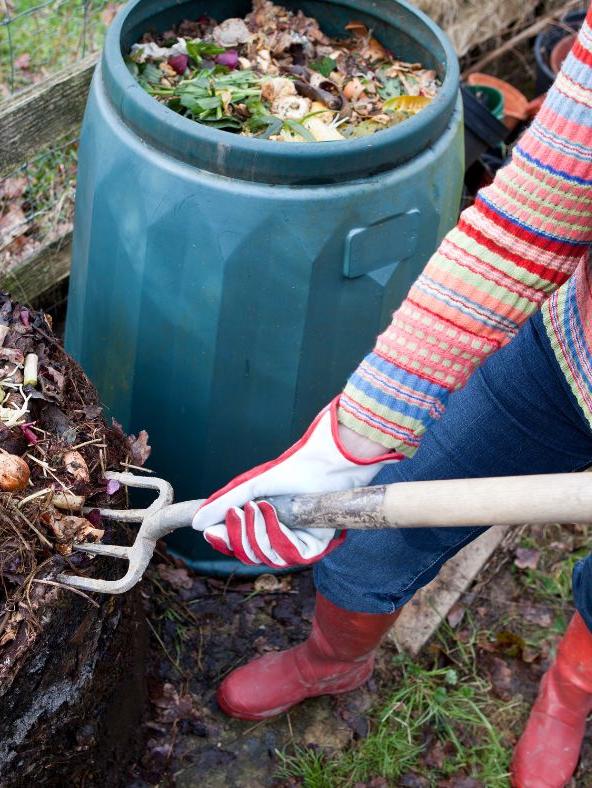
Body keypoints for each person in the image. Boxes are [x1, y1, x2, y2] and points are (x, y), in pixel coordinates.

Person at [191, 8, 592, 787]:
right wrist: (351, 440)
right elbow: (528, 224)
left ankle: (569, 694)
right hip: (573, 362)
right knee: (380, 524)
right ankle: (330, 661)